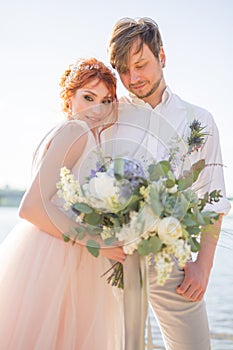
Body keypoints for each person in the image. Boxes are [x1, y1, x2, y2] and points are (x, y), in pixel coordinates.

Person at [107, 17, 231, 349]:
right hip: (111, 261)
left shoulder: (199, 121)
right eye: (123, 70)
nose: (133, 79)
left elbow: (214, 200)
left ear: (162, 56)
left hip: (171, 263)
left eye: (141, 65)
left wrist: (202, 268)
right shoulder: (108, 118)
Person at [0, 57, 125, 350]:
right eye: (88, 97)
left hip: (50, 251)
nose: (98, 109)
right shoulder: (75, 132)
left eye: (106, 101)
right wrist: (97, 242)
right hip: (59, 255)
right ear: (69, 100)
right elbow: (31, 207)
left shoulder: (66, 132)